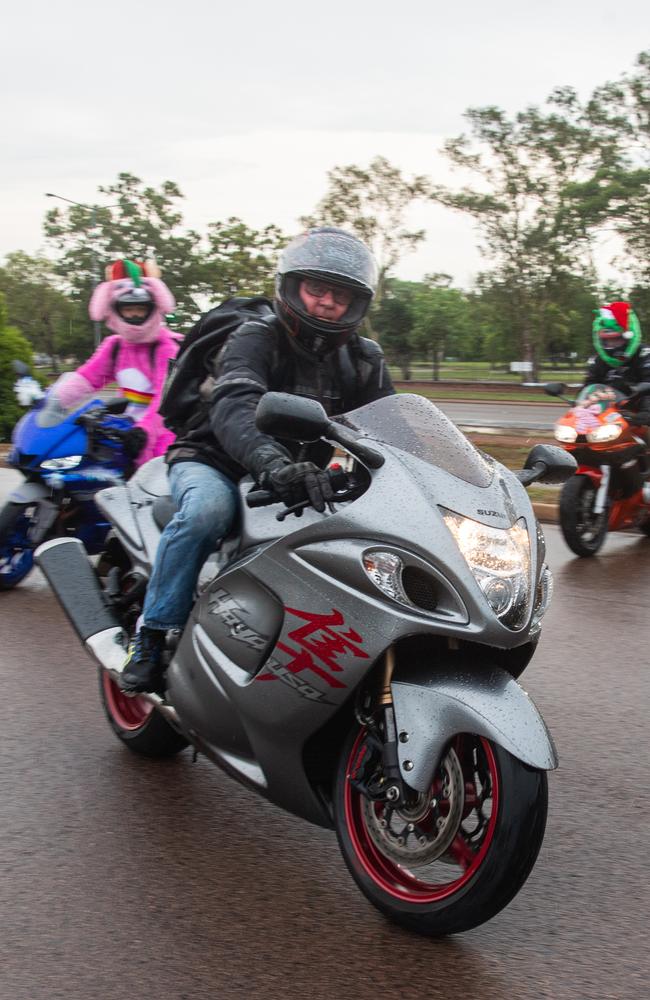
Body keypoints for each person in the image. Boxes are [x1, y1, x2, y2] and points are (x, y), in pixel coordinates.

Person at [120, 226, 395, 693]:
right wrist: (270, 461)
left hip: (300, 477)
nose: (328, 303)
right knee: (208, 512)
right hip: (215, 460)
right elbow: (235, 404)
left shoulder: (363, 359)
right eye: (317, 289)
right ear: (292, 287)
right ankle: (151, 633)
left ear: (357, 303)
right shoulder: (256, 336)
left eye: (341, 295)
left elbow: (392, 425)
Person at [51, 259, 181, 466]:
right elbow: (87, 378)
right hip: (124, 430)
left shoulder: (166, 347)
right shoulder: (115, 346)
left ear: (153, 308)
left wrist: (144, 432)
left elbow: (163, 400)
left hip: (161, 435)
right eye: (129, 309)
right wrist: (53, 402)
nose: (136, 314)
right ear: (115, 310)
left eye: (141, 308)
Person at [584, 301, 650, 408]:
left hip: (637, 411)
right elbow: (588, 386)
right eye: (608, 341)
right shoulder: (598, 359)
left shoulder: (644, 353)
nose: (612, 345)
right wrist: (580, 403)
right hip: (607, 413)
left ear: (627, 338)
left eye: (616, 340)